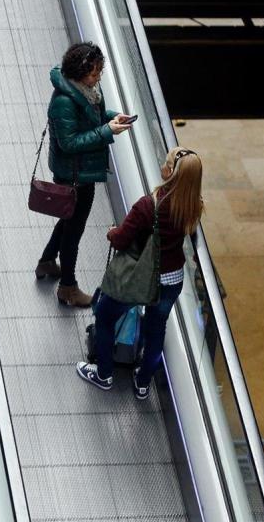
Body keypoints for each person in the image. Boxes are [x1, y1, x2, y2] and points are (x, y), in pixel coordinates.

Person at [76, 147, 204, 399]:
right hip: (172, 280)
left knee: (104, 315)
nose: (162, 166)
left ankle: (103, 375)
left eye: (166, 163)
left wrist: (112, 231)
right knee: (157, 330)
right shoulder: (194, 206)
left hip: (140, 279)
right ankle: (143, 383)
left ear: (170, 172)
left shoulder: (149, 205)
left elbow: (121, 240)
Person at [36, 42, 133, 307]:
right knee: (73, 232)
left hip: (81, 173)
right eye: (94, 73)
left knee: (68, 219)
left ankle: (46, 262)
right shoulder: (64, 102)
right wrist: (107, 131)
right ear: (79, 73)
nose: (98, 77)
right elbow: (69, 143)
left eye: (100, 71)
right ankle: (68, 287)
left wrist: (113, 118)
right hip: (74, 177)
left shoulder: (86, 92)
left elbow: (92, 117)